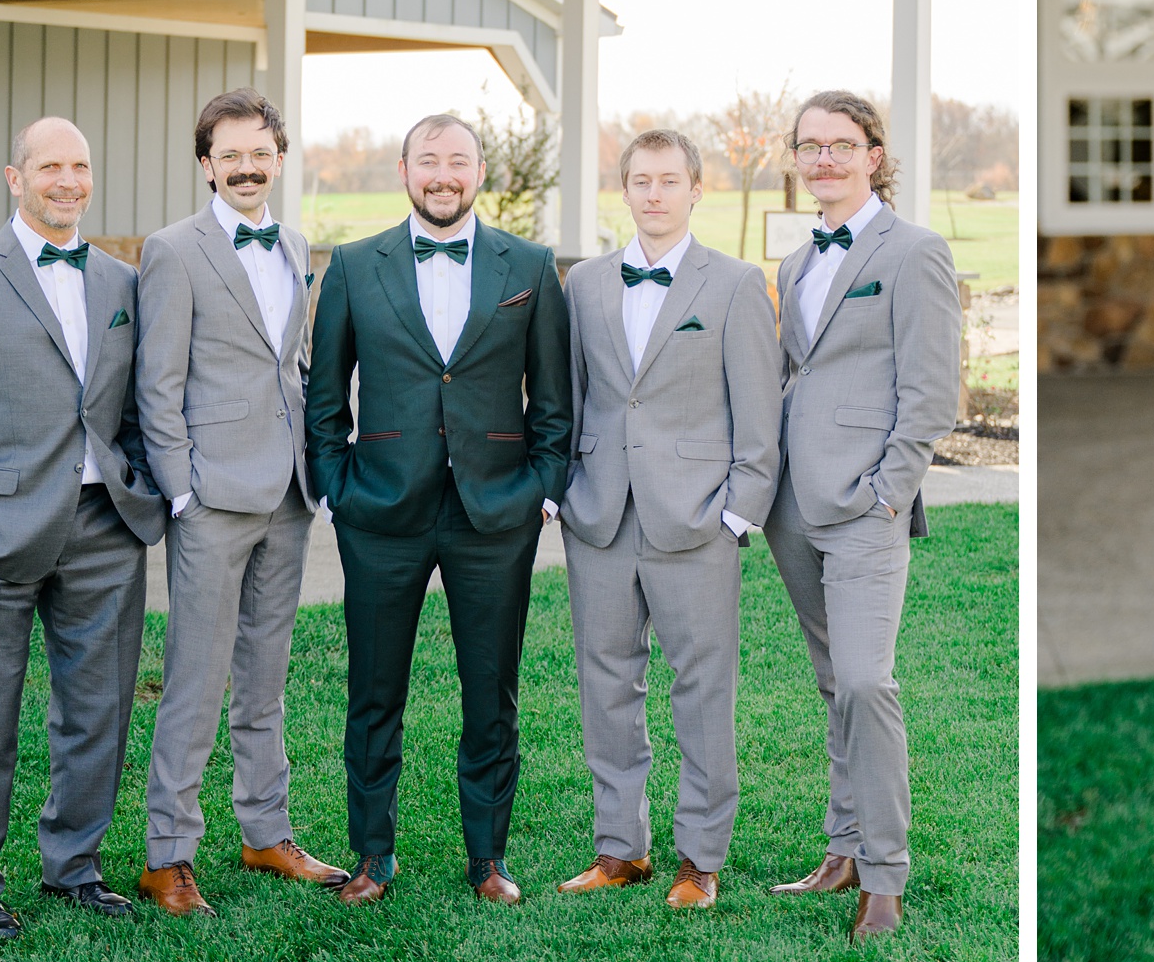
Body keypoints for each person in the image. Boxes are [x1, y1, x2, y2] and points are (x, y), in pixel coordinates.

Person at [0, 117, 168, 937]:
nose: (67, 180)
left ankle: (74, 866)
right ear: (15, 178)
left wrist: (136, 487)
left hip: (103, 529)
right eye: (50, 165)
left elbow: (129, 407)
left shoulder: (122, 283)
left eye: (80, 166)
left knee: (99, 709)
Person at [303, 113, 571, 906]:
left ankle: (488, 858)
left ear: (479, 171)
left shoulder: (530, 266)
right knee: (374, 690)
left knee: (492, 692)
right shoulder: (353, 265)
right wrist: (336, 485)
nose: (443, 175)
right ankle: (372, 856)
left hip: (496, 513)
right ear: (403, 170)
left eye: (458, 161)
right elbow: (325, 395)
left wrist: (543, 488)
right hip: (381, 509)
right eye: (429, 161)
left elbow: (553, 399)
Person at [134, 88, 348, 916]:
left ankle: (266, 832)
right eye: (231, 156)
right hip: (212, 497)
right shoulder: (173, 249)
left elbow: (288, 362)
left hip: (288, 493)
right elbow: (159, 385)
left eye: (261, 153)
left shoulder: (294, 241)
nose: (248, 167)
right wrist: (183, 491)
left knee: (266, 674)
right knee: (196, 674)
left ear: (279, 158)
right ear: (206, 165)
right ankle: (168, 855)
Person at [554, 127, 780, 910]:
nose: (654, 194)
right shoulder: (583, 283)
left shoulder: (734, 284)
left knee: (701, 687)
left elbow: (759, 415)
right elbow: (571, 395)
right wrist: (565, 491)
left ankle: (699, 858)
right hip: (601, 516)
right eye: (640, 181)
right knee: (607, 682)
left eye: (668, 181)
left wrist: (737, 515)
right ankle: (621, 848)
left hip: (697, 522)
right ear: (624, 190)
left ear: (694, 191)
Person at [764, 90, 963, 940]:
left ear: (875, 155)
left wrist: (891, 489)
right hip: (790, 506)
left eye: (842, 146)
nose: (824, 161)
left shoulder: (914, 251)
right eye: (810, 147)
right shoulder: (797, 260)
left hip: (865, 506)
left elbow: (931, 390)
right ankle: (841, 849)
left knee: (868, 681)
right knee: (832, 681)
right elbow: (792, 373)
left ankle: (884, 875)